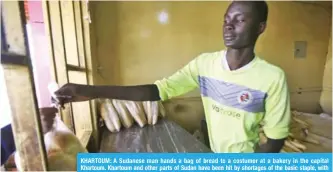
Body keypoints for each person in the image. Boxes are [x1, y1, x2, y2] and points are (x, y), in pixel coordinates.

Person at [54, 1, 291, 153]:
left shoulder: (272, 77)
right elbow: (155, 91)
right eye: (226, 20)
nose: (228, 26)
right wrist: (90, 91)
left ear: (261, 27)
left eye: (239, 20)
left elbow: (275, 140)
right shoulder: (205, 64)